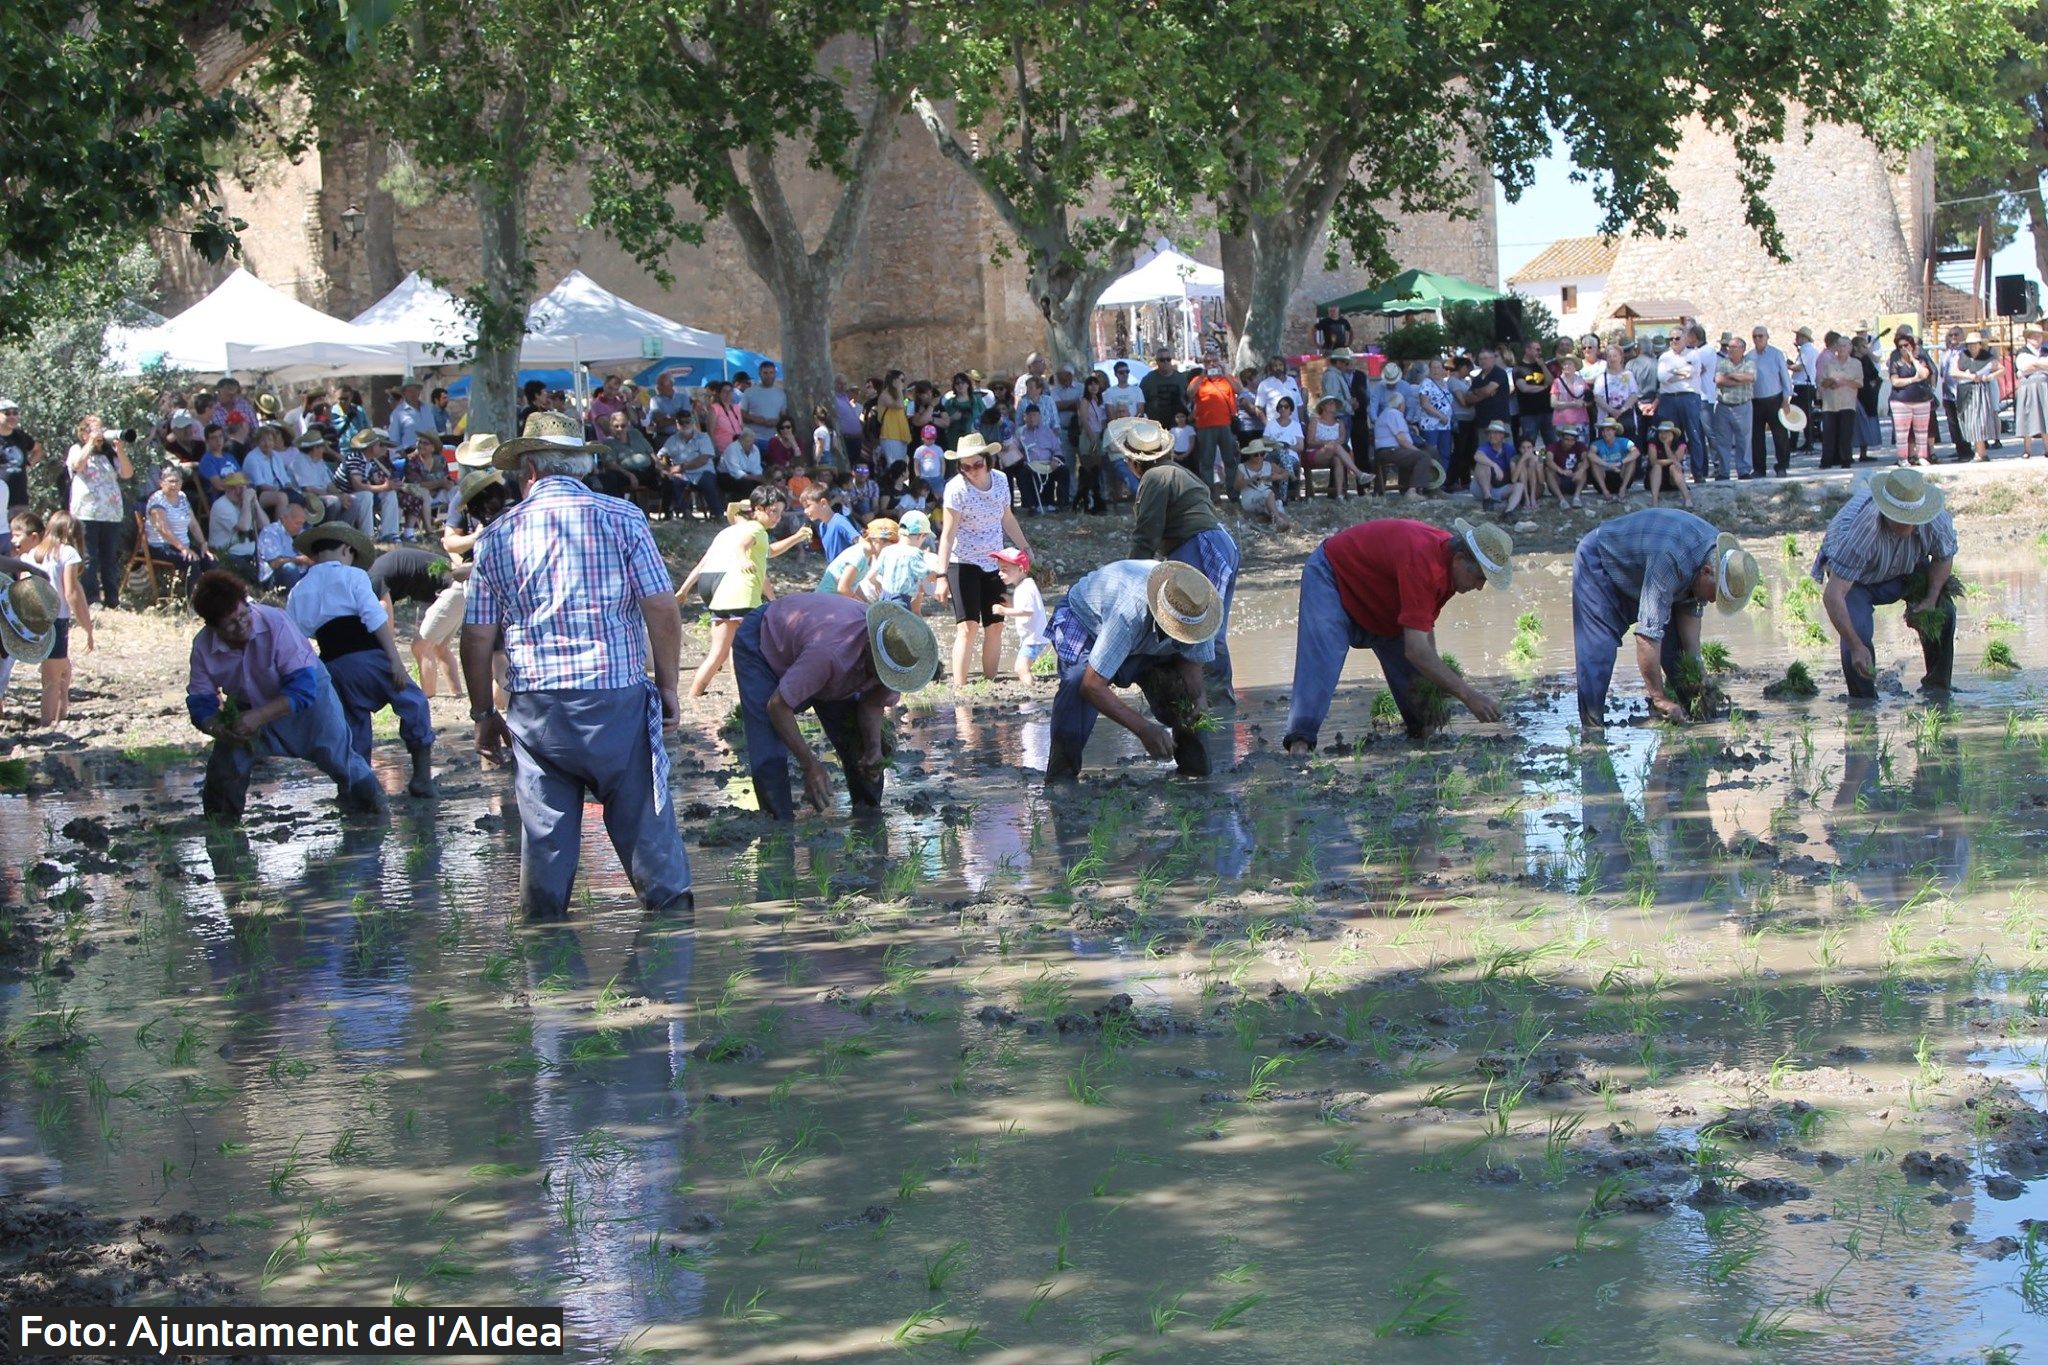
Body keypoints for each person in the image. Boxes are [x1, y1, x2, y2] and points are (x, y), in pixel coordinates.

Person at [460, 411, 693, 918]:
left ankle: (546, 949)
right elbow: (661, 608)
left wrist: (482, 714)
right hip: (616, 695)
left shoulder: (495, 535)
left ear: (528, 470)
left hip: (537, 706)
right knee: (647, 830)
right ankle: (674, 942)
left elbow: (476, 636)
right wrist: (668, 686)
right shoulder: (623, 518)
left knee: (546, 839)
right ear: (583, 466)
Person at [1281, 518, 1511, 753]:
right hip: (1333, 578)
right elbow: (1416, 650)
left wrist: (1436, 680)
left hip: (1382, 602)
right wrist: (1468, 695)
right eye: (1480, 578)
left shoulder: (1450, 567)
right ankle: (1299, 751)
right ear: (1460, 560)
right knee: (1320, 664)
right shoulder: (1423, 561)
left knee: (1423, 705)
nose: (1480, 587)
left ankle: (1425, 742)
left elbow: (1424, 625)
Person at [186, 570, 386, 823]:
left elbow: (302, 689)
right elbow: (200, 700)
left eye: (244, 615)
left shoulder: (276, 622)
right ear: (213, 627)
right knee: (228, 763)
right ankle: (220, 826)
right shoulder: (203, 647)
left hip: (308, 694)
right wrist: (216, 727)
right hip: (248, 703)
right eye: (231, 624)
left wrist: (259, 716)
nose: (242, 625)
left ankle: (375, 812)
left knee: (337, 757)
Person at [733, 593, 938, 818]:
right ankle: (778, 828)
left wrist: (874, 749)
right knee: (768, 746)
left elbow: (871, 705)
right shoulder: (829, 653)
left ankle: (868, 817)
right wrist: (810, 765)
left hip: (822, 660)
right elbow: (777, 706)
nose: (883, 679)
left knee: (859, 743)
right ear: (869, 650)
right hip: (765, 640)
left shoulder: (898, 657)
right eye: (881, 672)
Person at [284, 523, 436, 797]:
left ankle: (356, 787)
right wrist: (395, 659)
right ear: (346, 549)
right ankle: (421, 777)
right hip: (369, 655)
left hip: (331, 665)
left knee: (353, 725)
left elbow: (295, 638)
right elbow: (375, 618)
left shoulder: (298, 589)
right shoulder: (353, 576)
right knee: (413, 701)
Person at [1572, 509, 1758, 727]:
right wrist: (1658, 697)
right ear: (1707, 572)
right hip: (1603, 563)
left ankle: (1695, 715)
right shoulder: (1672, 561)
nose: (1714, 601)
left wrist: (1699, 673)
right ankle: (1592, 731)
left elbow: (1691, 615)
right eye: (1716, 593)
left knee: (1679, 656)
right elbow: (1646, 636)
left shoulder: (1717, 557)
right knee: (1598, 651)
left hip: (1648, 566)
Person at [1043, 559, 1223, 782]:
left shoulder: (1200, 610)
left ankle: (1195, 771)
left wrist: (1199, 700)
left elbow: (1191, 661)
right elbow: (1092, 685)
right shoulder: (1130, 611)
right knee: (1077, 683)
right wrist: (1144, 729)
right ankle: (1061, 779)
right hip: (1088, 624)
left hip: (1142, 639)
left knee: (1185, 696)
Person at [1812, 467, 1959, 700]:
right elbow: (1833, 595)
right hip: (1859, 580)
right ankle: (1863, 704)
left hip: (1907, 568)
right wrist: (1855, 645)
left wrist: (1930, 598)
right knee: (1857, 632)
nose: (1910, 526)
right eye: (1902, 520)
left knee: (1944, 611)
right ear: (1886, 513)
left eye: (1914, 520)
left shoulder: (1935, 519)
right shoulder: (1862, 531)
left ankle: (1937, 690)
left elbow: (1944, 557)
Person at [1121, 418, 1240, 702]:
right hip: (1219, 544)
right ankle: (1215, 701)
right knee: (1207, 626)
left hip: (1198, 545)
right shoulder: (1177, 471)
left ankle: (1213, 702)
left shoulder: (1154, 477)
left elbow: (1146, 536)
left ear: (1134, 462)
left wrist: (1127, 578)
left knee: (1200, 630)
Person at [678, 489, 809, 698]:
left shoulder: (734, 532)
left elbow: (770, 552)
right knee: (750, 652)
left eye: (780, 513)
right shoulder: (757, 529)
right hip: (743, 597)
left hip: (722, 595)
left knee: (718, 653)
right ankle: (748, 697)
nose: (777, 517)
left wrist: (796, 537)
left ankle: (694, 695)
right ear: (757, 510)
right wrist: (744, 559)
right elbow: (743, 549)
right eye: (774, 511)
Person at [935, 431, 1033, 686]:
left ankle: (990, 681)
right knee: (967, 627)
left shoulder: (1000, 481)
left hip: (994, 561)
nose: (972, 471)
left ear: (988, 461)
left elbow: (1007, 518)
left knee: (995, 625)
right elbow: (947, 536)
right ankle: (960, 687)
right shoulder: (956, 488)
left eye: (977, 465)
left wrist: (1024, 546)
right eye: (965, 467)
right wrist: (941, 576)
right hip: (963, 562)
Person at [9, 512, 89, 725]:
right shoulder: (68, 553)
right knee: (52, 680)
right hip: (57, 619)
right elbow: (71, 592)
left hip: (36, 620)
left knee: (63, 668)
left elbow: (22, 584)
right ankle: (48, 724)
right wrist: (86, 626)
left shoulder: (31, 554)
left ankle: (61, 715)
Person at [65, 427, 132, 609]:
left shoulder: (110, 453)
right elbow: (77, 466)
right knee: (89, 557)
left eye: (101, 429)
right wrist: (90, 443)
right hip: (86, 513)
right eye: (93, 429)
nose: (99, 434)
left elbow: (127, 473)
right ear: (83, 433)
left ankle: (112, 599)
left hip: (111, 514)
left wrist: (120, 450)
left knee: (110, 557)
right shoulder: (77, 449)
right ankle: (92, 598)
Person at [1185, 353, 1243, 500]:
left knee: (1230, 460)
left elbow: (1239, 390)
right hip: (1205, 426)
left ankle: (1233, 493)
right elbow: (1190, 393)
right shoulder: (1199, 380)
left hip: (1226, 425)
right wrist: (1202, 376)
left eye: (1214, 360)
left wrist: (1226, 373)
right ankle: (1209, 495)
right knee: (1207, 462)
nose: (1211, 363)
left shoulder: (1226, 379)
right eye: (1208, 361)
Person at [990, 547, 1049, 679]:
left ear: (1021, 569)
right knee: (1023, 667)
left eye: (1004, 569)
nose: (1000, 573)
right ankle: (1032, 684)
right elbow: (1027, 608)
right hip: (1034, 637)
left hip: (1033, 638)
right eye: (999, 569)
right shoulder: (1025, 585)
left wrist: (1004, 611)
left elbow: (1027, 611)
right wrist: (1011, 605)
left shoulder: (1025, 588)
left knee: (1021, 668)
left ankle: (1031, 689)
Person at [145, 467, 210, 577]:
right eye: (171, 481)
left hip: (183, 545)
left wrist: (203, 544)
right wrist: (183, 549)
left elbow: (193, 524)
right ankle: (192, 589)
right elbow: (163, 529)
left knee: (210, 561)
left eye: (177, 481)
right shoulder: (157, 500)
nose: (174, 485)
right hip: (162, 546)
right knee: (192, 562)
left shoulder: (182, 496)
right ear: (161, 483)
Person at [340, 428, 402, 541]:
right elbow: (357, 486)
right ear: (371, 447)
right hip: (345, 496)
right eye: (381, 445)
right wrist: (384, 487)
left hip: (360, 495)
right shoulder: (355, 458)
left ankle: (389, 534)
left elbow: (376, 481)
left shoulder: (372, 461)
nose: (385, 449)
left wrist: (390, 485)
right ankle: (367, 536)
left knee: (389, 493)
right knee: (366, 495)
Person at [1885, 333, 1935, 468]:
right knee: (1902, 433)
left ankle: (1922, 456)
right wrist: (1913, 379)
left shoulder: (1921, 360)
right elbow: (1895, 381)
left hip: (1921, 400)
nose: (1903, 348)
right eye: (1900, 346)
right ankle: (1903, 457)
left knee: (1922, 432)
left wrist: (1912, 358)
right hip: (1901, 401)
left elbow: (1924, 374)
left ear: (1912, 346)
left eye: (1906, 345)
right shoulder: (1895, 363)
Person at [1948, 331, 1999, 463]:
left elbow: (2001, 369)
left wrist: (1989, 377)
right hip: (1965, 390)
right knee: (1969, 422)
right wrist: (1969, 376)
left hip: (1980, 391)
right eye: (1970, 344)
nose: (1972, 347)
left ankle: (1980, 453)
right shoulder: (1961, 356)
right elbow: (1953, 372)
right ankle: (1979, 452)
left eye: (1975, 344)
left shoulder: (1987, 357)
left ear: (1980, 344)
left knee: (1979, 422)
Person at [1749, 326, 1794, 477]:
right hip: (1756, 401)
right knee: (1756, 437)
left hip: (1775, 399)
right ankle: (1759, 469)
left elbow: (1785, 377)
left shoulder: (1776, 354)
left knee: (1780, 435)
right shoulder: (1749, 356)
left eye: (1760, 336)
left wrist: (1786, 399)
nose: (1757, 339)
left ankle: (1782, 466)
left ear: (1767, 337)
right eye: (1755, 336)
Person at [1710, 337, 1756, 481]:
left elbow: (1750, 377)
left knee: (1744, 440)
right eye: (1729, 347)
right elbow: (1719, 380)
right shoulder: (1722, 363)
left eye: (1734, 347)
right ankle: (1724, 472)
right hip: (1724, 406)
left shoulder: (1749, 363)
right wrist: (1739, 380)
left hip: (1743, 406)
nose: (1730, 350)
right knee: (1723, 441)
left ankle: (1744, 470)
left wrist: (1730, 376)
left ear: (1742, 349)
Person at [1816, 332, 1861, 470]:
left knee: (1845, 433)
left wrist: (1844, 382)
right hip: (1830, 403)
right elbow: (1822, 382)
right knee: (1828, 433)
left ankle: (1846, 460)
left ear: (1850, 348)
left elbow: (1860, 383)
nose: (1841, 349)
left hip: (1847, 402)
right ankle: (1827, 461)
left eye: (1844, 346)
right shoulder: (1829, 363)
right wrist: (1831, 382)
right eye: (1839, 346)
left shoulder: (1856, 363)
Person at [823, 515, 893, 598]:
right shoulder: (859, 555)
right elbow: (843, 588)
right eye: (891, 545)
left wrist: (866, 603)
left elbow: (853, 584)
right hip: (826, 600)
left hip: (836, 599)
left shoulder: (867, 556)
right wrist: (860, 604)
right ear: (878, 540)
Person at [1234, 439, 1291, 528]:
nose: (1259, 457)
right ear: (1250, 455)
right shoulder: (1242, 467)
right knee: (1269, 494)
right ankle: (1277, 520)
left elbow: (1286, 473)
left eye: (1262, 454)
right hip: (1251, 499)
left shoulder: (1268, 465)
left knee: (1280, 510)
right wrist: (1250, 480)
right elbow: (1236, 486)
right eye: (1256, 455)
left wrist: (1276, 477)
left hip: (1269, 499)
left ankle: (1279, 522)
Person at [257, 501, 313, 590]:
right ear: (284, 519)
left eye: (302, 523)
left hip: (299, 572)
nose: (300, 527)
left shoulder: (300, 532)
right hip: (273, 577)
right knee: (290, 568)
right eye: (297, 523)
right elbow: (274, 563)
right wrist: (299, 560)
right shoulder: (271, 532)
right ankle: (293, 596)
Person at [2015, 323, 2048, 460]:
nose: (2037, 338)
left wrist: (2035, 364)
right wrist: (2041, 365)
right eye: (2034, 336)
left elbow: (2034, 365)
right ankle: (2027, 450)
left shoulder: (2045, 351)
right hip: (2028, 388)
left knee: (2046, 417)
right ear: (2028, 338)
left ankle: (2047, 449)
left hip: (2045, 387)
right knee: (2027, 417)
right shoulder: (2022, 352)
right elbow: (2024, 367)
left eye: (2039, 336)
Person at [801, 485, 859, 563]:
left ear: (823, 503)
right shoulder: (822, 526)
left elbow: (863, 545)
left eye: (808, 506)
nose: (805, 511)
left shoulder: (839, 522)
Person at [1588, 417, 1639, 501]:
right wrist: (1608, 465)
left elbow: (1636, 452)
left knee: (1632, 460)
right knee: (1594, 463)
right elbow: (1590, 454)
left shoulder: (1624, 441)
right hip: (1604, 478)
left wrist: (1620, 463)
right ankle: (1605, 491)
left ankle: (1623, 488)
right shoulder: (1596, 444)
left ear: (1614, 431)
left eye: (1608, 430)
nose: (1605, 433)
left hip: (1621, 476)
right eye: (1603, 431)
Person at [1644, 420, 1692, 508]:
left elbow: (1677, 460)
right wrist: (1671, 461)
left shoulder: (1680, 445)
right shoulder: (1653, 443)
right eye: (1661, 432)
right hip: (1654, 478)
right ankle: (1655, 501)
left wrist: (1666, 445)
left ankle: (1687, 498)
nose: (1663, 435)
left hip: (1673, 480)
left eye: (1666, 432)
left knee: (1674, 468)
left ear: (1672, 433)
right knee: (1657, 466)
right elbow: (1653, 461)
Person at [1471, 419, 1515, 506]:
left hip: (1501, 487)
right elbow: (1477, 456)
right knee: (1481, 464)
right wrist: (1494, 465)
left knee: (1519, 486)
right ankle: (1488, 498)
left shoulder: (1509, 449)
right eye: (1490, 433)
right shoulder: (1486, 447)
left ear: (1502, 435)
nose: (1491, 436)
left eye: (1495, 433)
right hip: (1482, 488)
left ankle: (1505, 505)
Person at [1142, 346, 1189, 427]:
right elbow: (1142, 402)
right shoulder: (1148, 380)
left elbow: (1189, 399)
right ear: (1157, 361)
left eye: (1168, 359)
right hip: (1156, 425)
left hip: (1178, 425)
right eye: (1162, 360)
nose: (1165, 362)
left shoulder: (1181, 378)